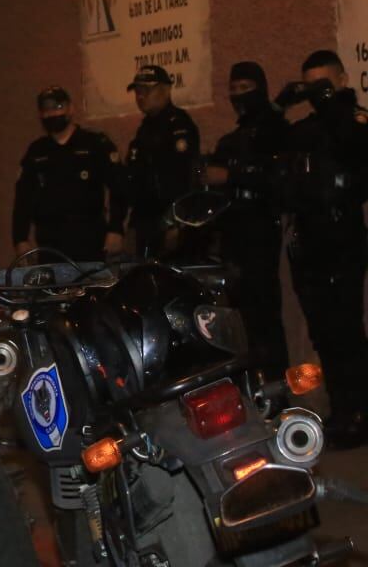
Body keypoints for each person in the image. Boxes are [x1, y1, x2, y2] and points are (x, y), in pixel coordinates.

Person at [276, 50, 368, 449]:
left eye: (323, 84)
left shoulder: (354, 120)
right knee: (323, 333)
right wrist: (278, 107)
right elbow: (270, 146)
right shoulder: (307, 129)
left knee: (346, 331)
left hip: (342, 239)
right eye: (310, 85)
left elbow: (353, 147)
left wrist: (334, 103)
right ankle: (342, 410)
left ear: (343, 80)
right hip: (309, 242)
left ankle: (359, 412)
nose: (317, 93)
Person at [202, 61, 289, 379]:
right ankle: (251, 384)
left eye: (246, 88)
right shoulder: (231, 141)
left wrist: (233, 175)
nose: (239, 95)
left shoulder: (276, 132)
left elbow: (276, 178)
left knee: (265, 318)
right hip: (234, 237)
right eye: (234, 88)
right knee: (240, 321)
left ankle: (276, 384)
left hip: (263, 236)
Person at [12, 86, 126, 262]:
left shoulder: (94, 143)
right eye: (46, 109)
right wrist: (20, 239)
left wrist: (116, 229)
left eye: (58, 107)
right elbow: (22, 199)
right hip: (50, 244)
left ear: (70, 108)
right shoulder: (36, 151)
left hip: (90, 240)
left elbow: (119, 187)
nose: (52, 114)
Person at [125, 64, 200, 258]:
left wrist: (178, 224)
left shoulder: (179, 125)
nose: (140, 96)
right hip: (146, 222)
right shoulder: (144, 130)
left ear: (165, 90)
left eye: (146, 90)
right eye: (138, 91)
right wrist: (132, 224)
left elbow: (187, 179)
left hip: (171, 220)